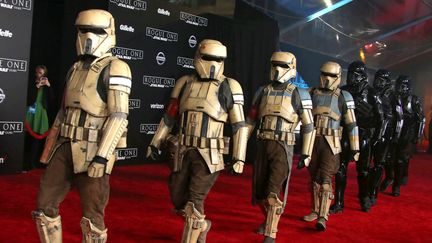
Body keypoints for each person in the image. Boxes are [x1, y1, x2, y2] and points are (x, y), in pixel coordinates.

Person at [32, 9, 132, 243]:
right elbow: (64, 111)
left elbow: (118, 115)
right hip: (65, 145)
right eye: (83, 30)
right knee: (44, 208)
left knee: (92, 219)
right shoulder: (75, 68)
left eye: (96, 31)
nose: (88, 36)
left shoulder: (116, 67)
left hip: (94, 148)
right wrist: (50, 148)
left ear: (109, 33)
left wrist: (103, 157)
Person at [147, 39, 248, 243]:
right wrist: (155, 142)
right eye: (207, 58)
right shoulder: (185, 83)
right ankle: (202, 225)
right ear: (197, 58)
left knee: (195, 201)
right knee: (178, 196)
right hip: (182, 150)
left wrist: (239, 158)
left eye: (217, 59)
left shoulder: (229, 86)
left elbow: (239, 125)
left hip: (209, 154)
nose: (212, 63)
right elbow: (169, 116)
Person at [246, 52, 315, 243]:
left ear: (292, 67)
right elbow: (250, 120)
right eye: (275, 65)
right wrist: (239, 150)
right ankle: (269, 220)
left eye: (283, 65)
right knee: (259, 193)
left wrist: (307, 153)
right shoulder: (262, 91)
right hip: (262, 144)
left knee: (273, 192)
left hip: (283, 147)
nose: (278, 69)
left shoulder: (299, 93)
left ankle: (271, 233)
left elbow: (309, 126)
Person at [302, 61, 359, 230]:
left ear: (338, 77)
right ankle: (315, 210)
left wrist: (355, 147)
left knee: (326, 179)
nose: (327, 78)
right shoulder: (311, 92)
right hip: (313, 141)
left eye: (332, 76)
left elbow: (352, 124)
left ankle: (322, 215)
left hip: (331, 143)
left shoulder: (344, 96)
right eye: (324, 74)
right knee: (314, 178)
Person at [329, 61, 382, 213]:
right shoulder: (342, 91)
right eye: (351, 74)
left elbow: (381, 118)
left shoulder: (372, 93)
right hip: (345, 134)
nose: (352, 78)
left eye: (356, 75)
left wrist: (376, 136)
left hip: (363, 134)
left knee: (363, 171)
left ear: (363, 76)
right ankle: (339, 202)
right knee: (341, 169)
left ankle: (364, 198)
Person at [368, 69, 403, 206]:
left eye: (381, 80)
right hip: (371, 131)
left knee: (379, 163)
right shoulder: (372, 92)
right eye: (377, 79)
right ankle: (368, 189)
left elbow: (399, 118)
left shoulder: (394, 96)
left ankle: (373, 192)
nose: (378, 82)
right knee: (366, 164)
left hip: (386, 134)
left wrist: (396, 136)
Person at [388, 75, 424, 196]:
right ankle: (391, 177)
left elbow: (421, 119)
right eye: (399, 85)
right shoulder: (393, 97)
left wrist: (417, 136)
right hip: (393, 133)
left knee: (401, 159)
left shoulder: (414, 100)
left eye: (403, 86)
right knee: (390, 158)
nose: (400, 88)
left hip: (408, 134)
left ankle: (396, 185)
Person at [24, 65, 51, 170]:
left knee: (38, 139)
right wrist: (37, 86)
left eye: (43, 74)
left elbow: (52, 99)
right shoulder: (31, 83)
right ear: (36, 73)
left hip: (41, 113)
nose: (41, 76)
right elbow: (28, 98)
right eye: (39, 73)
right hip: (31, 112)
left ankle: (33, 162)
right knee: (27, 137)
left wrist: (48, 86)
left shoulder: (46, 86)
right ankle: (25, 161)